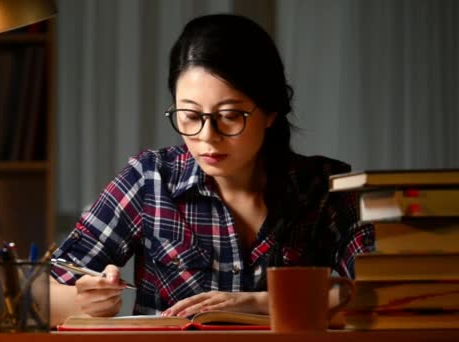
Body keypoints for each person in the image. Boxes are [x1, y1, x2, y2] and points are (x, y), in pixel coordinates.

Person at [49, 13, 374, 325]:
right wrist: (86, 300)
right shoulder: (150, 179)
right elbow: (40, 292)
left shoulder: (326, 189)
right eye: (189, 115)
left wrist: (261, 302)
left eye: (230, 116)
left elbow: (389, 297)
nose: (207, 137)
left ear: (271, 112)